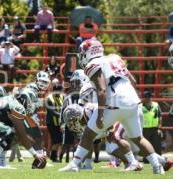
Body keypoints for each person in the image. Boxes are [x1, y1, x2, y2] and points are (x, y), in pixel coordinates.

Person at [59, 39, 166, 174]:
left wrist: (101, 114)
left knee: (88, 133)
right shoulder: (115, 58)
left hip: (115, 101)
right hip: (132, 100)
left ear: (88, 53)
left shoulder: (92, 64)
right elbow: (133, 82)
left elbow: (101, 90)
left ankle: (74, 164)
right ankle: (157, 167)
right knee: (138, 138)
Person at [0, 88, 46, 168]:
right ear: (25, 99)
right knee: (11, 132)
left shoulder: (11, 100)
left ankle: (0, 161)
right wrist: (34, 154)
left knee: (14, 134)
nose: (32, 105)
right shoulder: (18, 107)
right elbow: (22, 133)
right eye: (31, 101)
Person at [45, 83, 64, 162]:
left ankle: (53, 156)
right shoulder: (49, 98)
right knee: (56, 140)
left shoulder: (62, 97)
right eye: (56, 91)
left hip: (59, 123)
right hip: (52, 122)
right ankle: (53, 156)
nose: (57, 92)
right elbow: (51, 111)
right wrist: (61, 115)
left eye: (59, 91)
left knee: (59, 140)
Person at [141, 91, 163, 158]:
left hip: (155, 129)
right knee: (145, 146)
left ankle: (159, 159)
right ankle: (146, 160)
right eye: (146, 97)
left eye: (149, 97)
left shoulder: (156, 105)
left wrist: (159, 128)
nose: (148, 98)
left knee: (157, 146)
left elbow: (160, 116)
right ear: (143, 98)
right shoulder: (139, 106)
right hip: (144, 129)